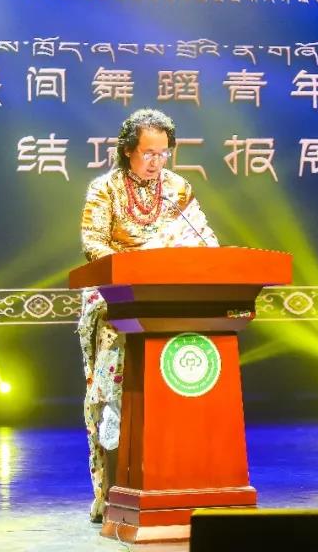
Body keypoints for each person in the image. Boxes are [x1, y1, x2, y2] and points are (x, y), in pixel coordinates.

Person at [77, 108, 218, 523]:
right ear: (127, 151)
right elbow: (93, 244)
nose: (157, 162)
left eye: (163, 153)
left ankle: (172, 483)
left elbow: (204, 238)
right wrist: (135, 270)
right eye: (148, 153)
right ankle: (111, 491)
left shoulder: (178, 189)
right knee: (114, 399)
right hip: (118, 301)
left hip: (168, 300)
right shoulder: (104, 189)